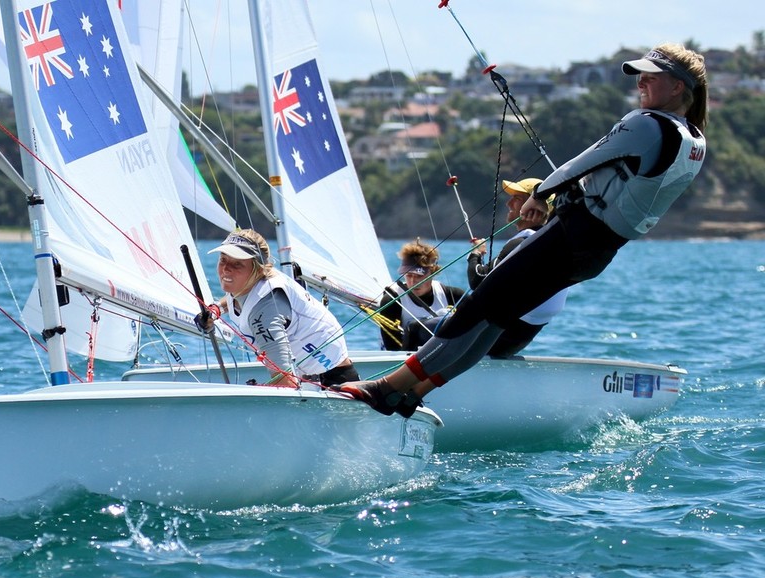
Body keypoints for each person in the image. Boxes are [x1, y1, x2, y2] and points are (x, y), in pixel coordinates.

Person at [338, 43, 708, 417]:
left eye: (651, 76)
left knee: (475, 309)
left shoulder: (646, 123)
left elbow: (583, 162)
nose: (641, 81)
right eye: (640, 74)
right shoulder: (695, 141)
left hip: (572, 235)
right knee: (493, 323)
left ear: (678, 87)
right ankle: (413, 394)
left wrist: (541, 193)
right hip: (599, 251)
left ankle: (386, 388)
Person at [202, 229, 359, 388]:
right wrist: (216, 309)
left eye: (238, 264)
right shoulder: (246, 283)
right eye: (223, 260)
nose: (226, 269)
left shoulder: (264, 313)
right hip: (311, 370)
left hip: (334, 376)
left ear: (257, 269)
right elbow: (234, 298)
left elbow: (286, 383)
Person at [467, 177, 568, 358]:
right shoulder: (553, 242)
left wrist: (475, 254)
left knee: (416, 328)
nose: (508, 203)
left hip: (495, 341)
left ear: (533, 209)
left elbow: (477, 281)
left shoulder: (522, 243)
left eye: (517, 199)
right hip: (515, 339)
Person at [377, 239, 466, 351]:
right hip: (401, 358)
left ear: (432, 272)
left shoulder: (452, 295)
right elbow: (392, 348)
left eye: (419, 276)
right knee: (414, 328)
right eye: (409, 275)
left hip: (441, 355)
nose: (413, 281)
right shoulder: (392, 300)